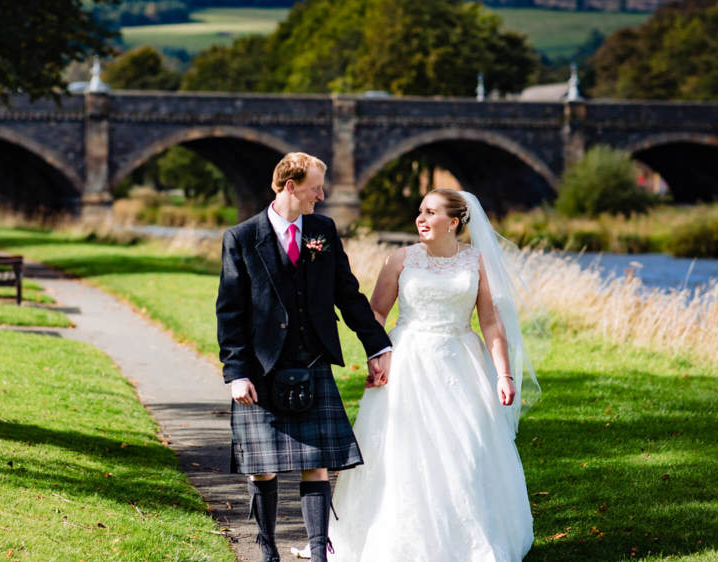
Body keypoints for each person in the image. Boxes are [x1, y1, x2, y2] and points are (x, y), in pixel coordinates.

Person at [328, 188, 541, 561]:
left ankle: (467, 541)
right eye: (420, 212)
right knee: (404, 451)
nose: (420, 219)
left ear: (454, 222)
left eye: (430, 212)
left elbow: (490, 322)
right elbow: (376, 314)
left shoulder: (476, 262)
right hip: (408, 360)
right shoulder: (400, 259)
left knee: (467, 449)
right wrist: (377, 355)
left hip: (460, 362)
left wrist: (504, 374)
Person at [216, 152, 393, 562]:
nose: (322, 194)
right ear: (291, 186)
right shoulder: (242, 237)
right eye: (316, 187)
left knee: (316, 462)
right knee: (263, 466)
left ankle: (318, 553)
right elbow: (230, 312)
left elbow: (347, 293)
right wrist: (236, 372)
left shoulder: (322, 230)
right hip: (261, 368)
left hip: (312, 361)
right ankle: (267, 549)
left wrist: (376, 345)